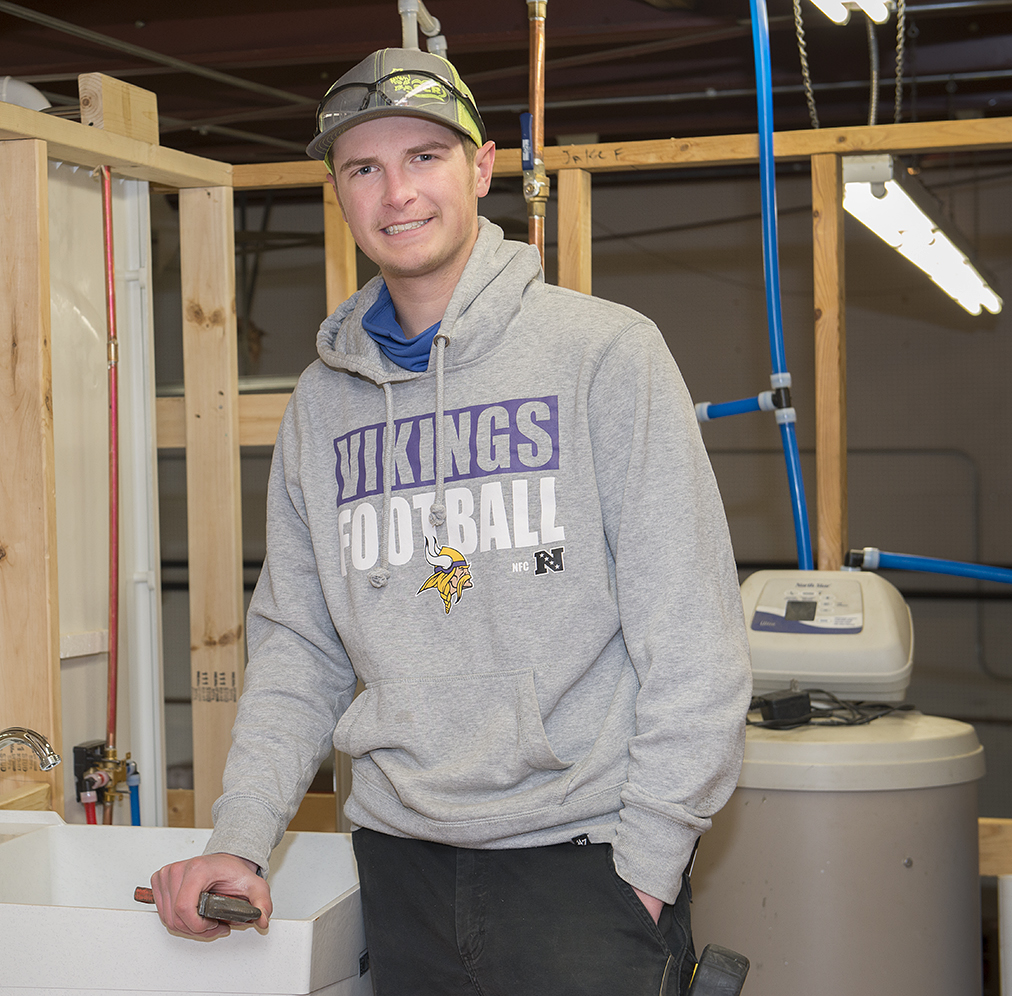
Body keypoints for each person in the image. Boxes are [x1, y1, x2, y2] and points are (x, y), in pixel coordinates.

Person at [150, 47, 751, 995]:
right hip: (399, 866)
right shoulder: (321, 405)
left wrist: (647, 862)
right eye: (364, 167)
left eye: (425, 156)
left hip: (584, 866)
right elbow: (298, 648)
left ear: (481, 168)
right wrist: (242, 838)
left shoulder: (605, 355)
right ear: (340, 192)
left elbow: (693, 640)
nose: (397, 192)